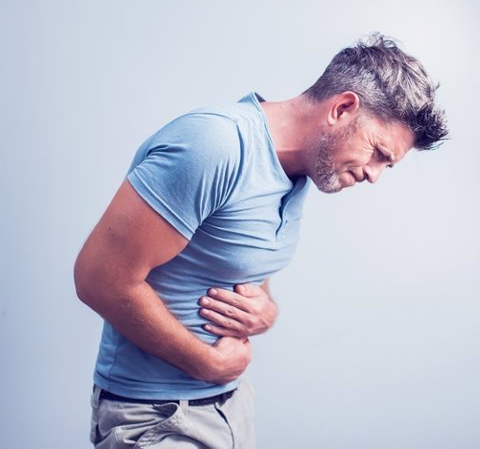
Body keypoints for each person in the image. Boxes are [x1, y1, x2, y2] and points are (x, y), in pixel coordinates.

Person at [74, 33, 448, 448]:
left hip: (229, 408)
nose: (375, 174)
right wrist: (209, 363)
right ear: (342, 108)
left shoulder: (303, 170)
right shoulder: (215, 147)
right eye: (378, 152)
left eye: (388, 166)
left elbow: (241, 269)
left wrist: (265, 312)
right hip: (155, 416)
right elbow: (98, 279)